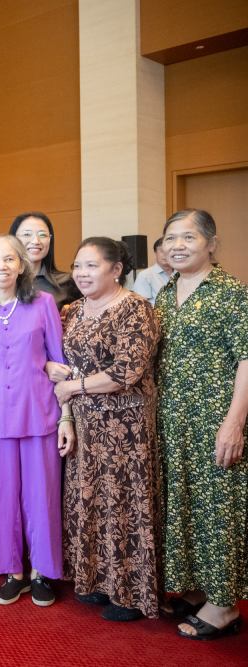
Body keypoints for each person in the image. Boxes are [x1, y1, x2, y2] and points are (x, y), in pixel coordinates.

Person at [50, 238, 161, 622]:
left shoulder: (136, 308)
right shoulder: (71, 310)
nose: (81, 273)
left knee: (122, 505)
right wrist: (65, 411)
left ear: (116, 270)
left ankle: (129, 593)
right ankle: (95, 579)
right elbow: (58, 366)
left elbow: (127, 371)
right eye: (77, 265)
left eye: (91, 266)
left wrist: (74, 387)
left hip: (124, 426)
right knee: (88, 499)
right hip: (83, 423)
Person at [0, 235, 72, 607]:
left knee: (42, 497)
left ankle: (42, 571)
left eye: (9, 259)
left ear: (22, 264)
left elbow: (59, 364)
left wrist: (66, 418)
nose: (2, 266)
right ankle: (14, 572)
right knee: (1, 497)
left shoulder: (43, 303)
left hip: (39, 411)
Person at [155, 209, 246, 640]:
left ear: (211, 243)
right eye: (171, 238)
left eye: (188, 237)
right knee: (184, 505)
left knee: (218, 509)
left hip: (215, 419)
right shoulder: (165, 292)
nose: (178, 245)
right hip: (172, 421)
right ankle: (195, 588)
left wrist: (235, 422)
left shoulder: (232, 294)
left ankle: (225, 605)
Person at [10, 211, 80, 309]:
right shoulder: (2, 282)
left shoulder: (68, 283)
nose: (36, 241)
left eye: (42, 235)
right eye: (27, 234)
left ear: (50, 240)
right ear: (13, 239)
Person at [132, 237, 172, 305]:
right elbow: (140, 306)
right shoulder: (145, 276)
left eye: (169, 251)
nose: (165, 255)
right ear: (155, 253)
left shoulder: (182, 273)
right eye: (162, 251)